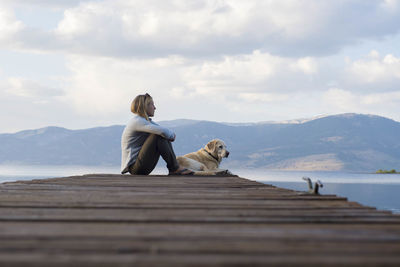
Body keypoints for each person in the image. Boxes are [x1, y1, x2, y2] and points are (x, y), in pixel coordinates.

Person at [120, 93, 194, 175]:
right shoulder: (137, 121)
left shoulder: (145, 121)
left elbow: (162, 130)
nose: (155, 108)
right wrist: (172, 135)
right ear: (145, 106)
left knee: (161, 135)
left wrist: (170, 135)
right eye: (152, 105)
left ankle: (174, 167)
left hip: (141, 166)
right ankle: (174, 168)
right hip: (135, 168)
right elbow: (162, 131)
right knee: (157, 135)